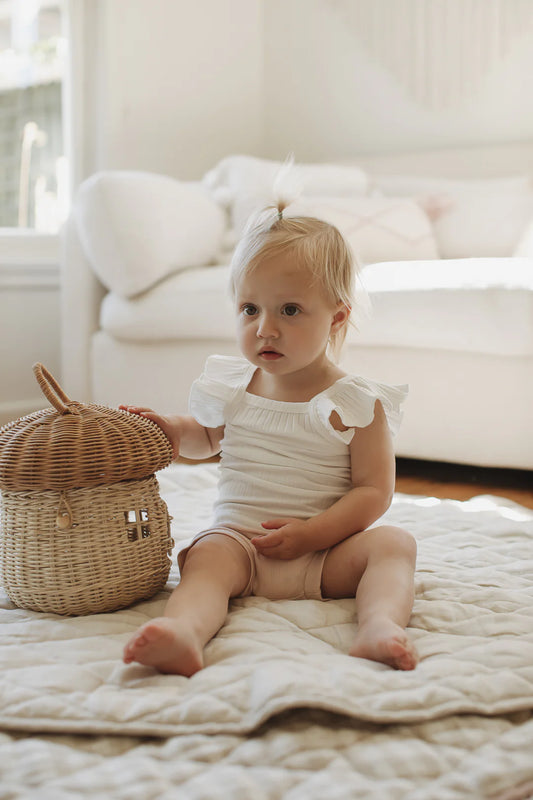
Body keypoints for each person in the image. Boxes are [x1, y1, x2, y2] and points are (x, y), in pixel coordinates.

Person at [122, 200, 418, 676]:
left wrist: (312, 534)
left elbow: (373, 491)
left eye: (290, 310)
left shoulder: (358, 403)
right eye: (249, 308)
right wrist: (172, 430)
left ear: (337, 317)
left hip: (325, 555)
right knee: (204, 559)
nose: (265, 328)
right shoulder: (234, 387)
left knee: (394, 545)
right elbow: (205, 439)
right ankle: (184, 633)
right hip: (244, 545)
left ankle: (379, 626)